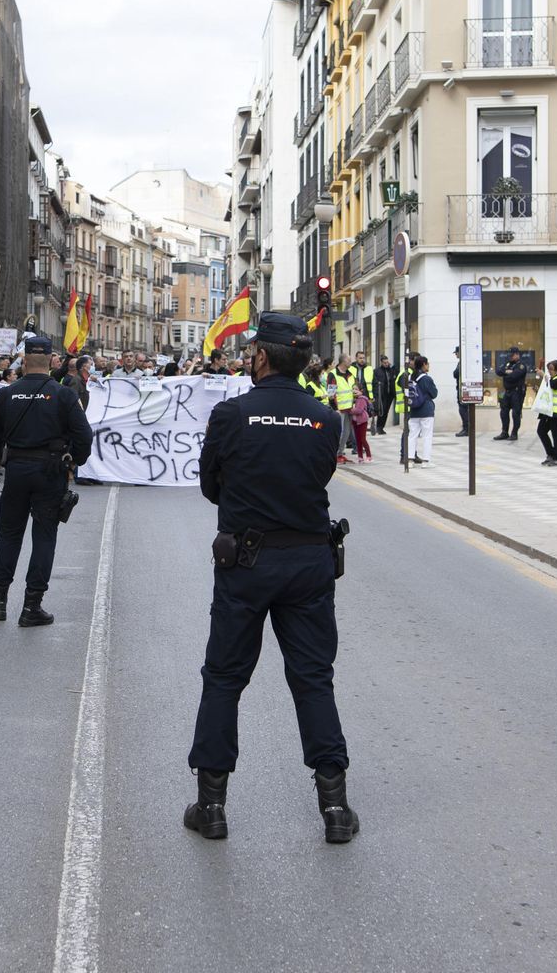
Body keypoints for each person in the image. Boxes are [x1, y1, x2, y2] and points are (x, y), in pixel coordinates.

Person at [185, 312, 358, 844]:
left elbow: (211, 485)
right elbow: (319, 475)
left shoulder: (230, 414)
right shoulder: (327, 420)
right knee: (313, 679)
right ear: (304, 360)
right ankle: (334, 809)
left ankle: (211, 807)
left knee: (224, 679)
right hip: (308, 563)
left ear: (260, 356)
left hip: (246, 562)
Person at [0, 333, 93, 625]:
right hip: (50, 472)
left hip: (16, 471)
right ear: (50, 360)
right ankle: (32, 607)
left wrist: (0, 456)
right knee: (44, 538)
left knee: (10, 536)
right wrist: (73, 461)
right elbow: (84, 435)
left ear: (25, 360)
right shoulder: (64, 395)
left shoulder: (5, 394)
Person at [406, 355, 438, 466]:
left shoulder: (410, 377)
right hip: (426, 410)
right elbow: (434, 394)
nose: (428, 365)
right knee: (426, 436)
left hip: (414, 410)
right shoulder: (426, 378)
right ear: (424, 364)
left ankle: (410, 460)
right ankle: (425, 461)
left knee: (412, 435)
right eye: (427, 363)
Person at [494, 347, 528, 441]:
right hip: (507, 391)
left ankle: (514, 433)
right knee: (503, 412)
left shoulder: (521, 365)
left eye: (512, 355)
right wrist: (506, 372)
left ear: (517, 354)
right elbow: (498, 371)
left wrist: (507, 374)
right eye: (510, 355)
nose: (510, 356)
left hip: (517, 392)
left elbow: (514, 376)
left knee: (515, 413)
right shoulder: (508, 363)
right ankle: (504, 432)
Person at [372, 354, 396, 435]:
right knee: (381, 411)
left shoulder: (391, 370)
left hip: (390, 394)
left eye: (387, 362)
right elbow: (374, 383)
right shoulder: (377, 371)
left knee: (386, 411)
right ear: (381, 363)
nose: (386, 364)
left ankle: (381, 427)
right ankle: (379, 427)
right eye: (384, 363)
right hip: (381, 394)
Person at [349, 385, 373, 463]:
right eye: (353, 389)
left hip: (362, 421)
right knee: (357, 439)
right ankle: (360, 457)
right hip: (355, 421)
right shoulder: (352, 399)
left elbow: (359, 410)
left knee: (362, 439)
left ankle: (369, 456)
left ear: (360, 391)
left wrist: (348, 410)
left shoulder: (361, 399)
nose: (354, 391)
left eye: (356, 389)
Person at [452, 345, 471, 437]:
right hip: (460, 388)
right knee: (462, 409)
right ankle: (466, 428)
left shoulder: (464, 362)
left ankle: (467, 428)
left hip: (464, 389)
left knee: (463, 409)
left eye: (456, 353)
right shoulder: (460, 362)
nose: (456, 354)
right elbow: (455, 374)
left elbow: (456, 373)